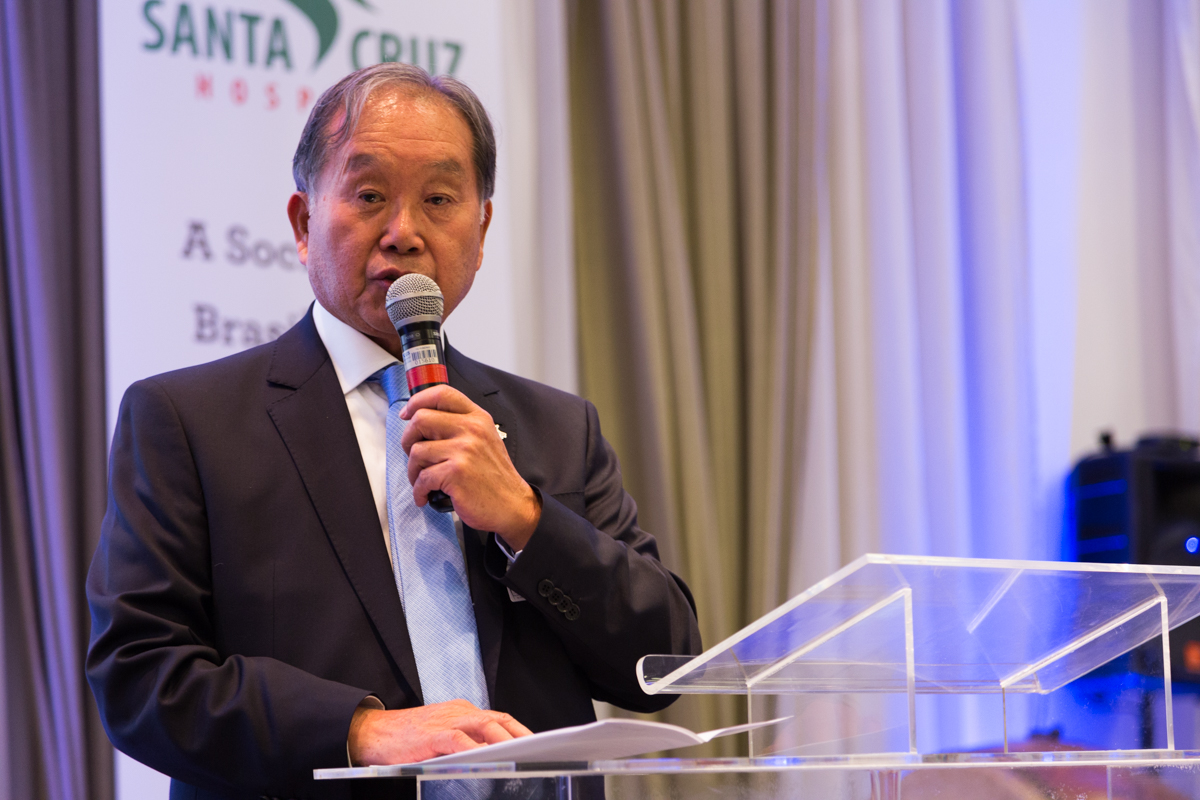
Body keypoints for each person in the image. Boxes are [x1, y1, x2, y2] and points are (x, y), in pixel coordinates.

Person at [86, 64, 702, 800]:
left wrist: (526, 520)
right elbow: (140, 676)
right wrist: (361, 731)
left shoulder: (559, 429)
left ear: (481, 229)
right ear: (304, 223)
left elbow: (663, 664)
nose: (404, 233)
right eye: (370, 195)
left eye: (439, 199)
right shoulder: (188, 420)